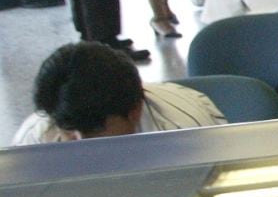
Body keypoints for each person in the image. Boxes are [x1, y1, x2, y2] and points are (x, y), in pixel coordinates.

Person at [13, 41, 223, 144]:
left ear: (135, 110)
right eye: (69, 130)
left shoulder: (188, 135)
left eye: (95, 131)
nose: (81, 144)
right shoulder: (36, 137)